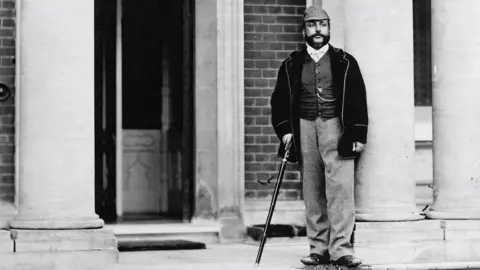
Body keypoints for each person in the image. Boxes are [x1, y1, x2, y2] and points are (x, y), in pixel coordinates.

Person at [270, 5, 368, 268]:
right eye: (312, 25)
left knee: (340, 190)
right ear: (304, 30)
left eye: (322, 25)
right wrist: (286, 132)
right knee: (313, 191)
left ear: (328, 29)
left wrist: (358, 133)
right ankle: (318, 249)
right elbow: (279, 101)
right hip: (304, 128)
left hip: (337, 128)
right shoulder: (291, 64)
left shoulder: (345, 62)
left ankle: (341, 250)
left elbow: (358, 99)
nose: (317, 30)